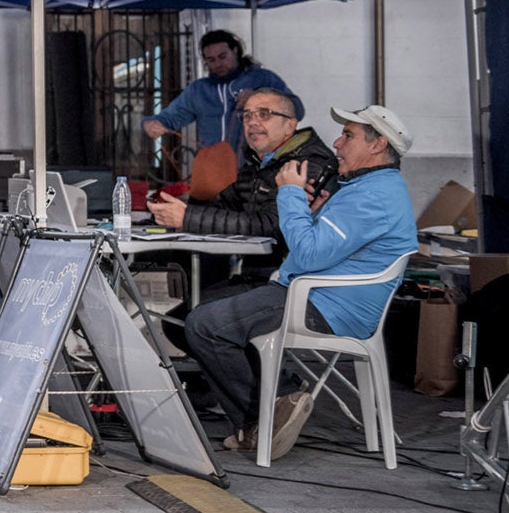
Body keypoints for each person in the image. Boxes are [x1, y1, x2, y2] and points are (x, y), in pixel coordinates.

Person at [183, 104, 419, 461]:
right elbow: (320, 246)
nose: (337, 143)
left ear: (377, 145)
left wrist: (290, 194)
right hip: (316, 295)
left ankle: (261, 420)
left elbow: (307, 255)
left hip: (325, 305)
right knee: (211, 312)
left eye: (349, 136)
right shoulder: (368, 187)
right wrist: (315, 212)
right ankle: (280, 398)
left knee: (205, 324)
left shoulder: (372, 196)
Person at [147, 87, 338, 280]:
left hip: (285, 278)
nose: (252, 122)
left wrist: (187, 217)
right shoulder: (258, 163)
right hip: (252, 273)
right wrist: (168, 214)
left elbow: (272, 226)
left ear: (289, 126)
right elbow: (224, 207)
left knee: (202, 305)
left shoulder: (308, 163)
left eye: (264, 114)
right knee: (164, 261)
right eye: (247, 116)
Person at [143, 31, 297, 157]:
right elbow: (170, 118)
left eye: (223, 57)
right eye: (211, 60)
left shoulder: (262, 78)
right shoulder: (198, 90)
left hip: (258, 168)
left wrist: (261, 99)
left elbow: (297, 109)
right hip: (215, 172)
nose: (218, 64)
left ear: (235, 51)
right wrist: (153, 123)